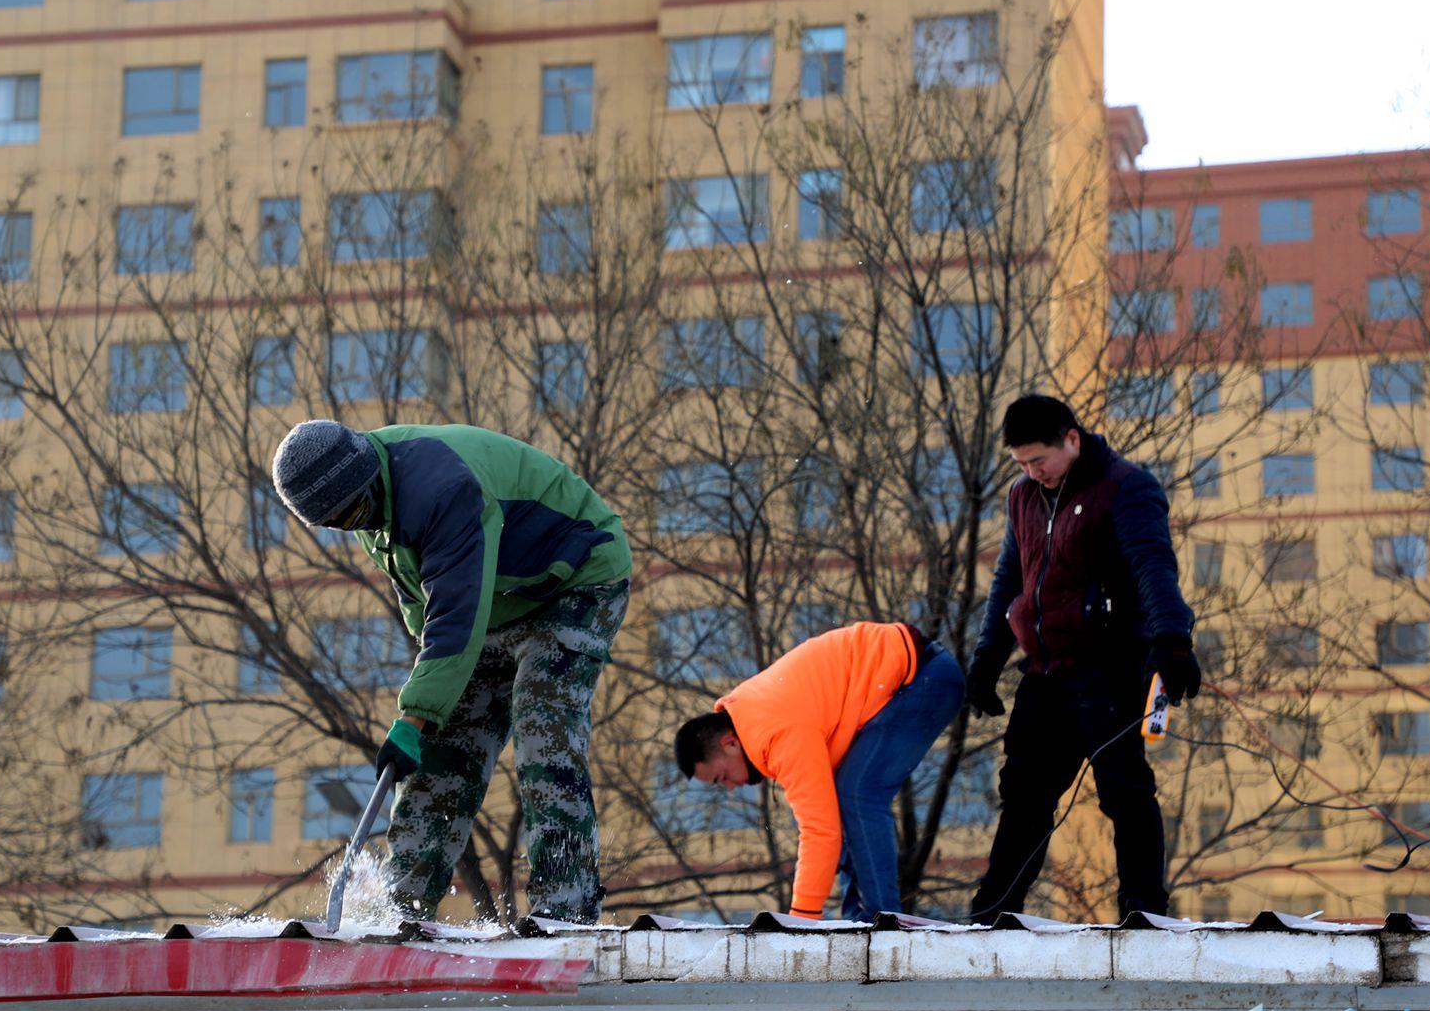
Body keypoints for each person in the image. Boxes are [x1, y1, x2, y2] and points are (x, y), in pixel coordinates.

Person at [273, 420, 631, 924]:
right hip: (495, 604)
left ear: (370, 473)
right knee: (439, 753)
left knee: (542, 726)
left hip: (575, 580)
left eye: (357, 509)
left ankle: (567, 904)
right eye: (340, 522)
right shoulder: (372, 513)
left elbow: (455, 615)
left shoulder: (441, 487)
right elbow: (424, 608)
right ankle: (403, 906)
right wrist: (428, 717)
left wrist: (414, 712)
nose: (357, 522)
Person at [965, 394, 1201, 924]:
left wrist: (1170, 638)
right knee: (1024, 796)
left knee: (1124, 789)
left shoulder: (1125, 487)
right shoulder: (1023, 496)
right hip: (1046, 673)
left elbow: (1153, 566)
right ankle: (992, 912)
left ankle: (1144, 907)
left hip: (1109, 666)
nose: (1032, 473)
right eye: (1021, 464)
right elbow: (1010, 580)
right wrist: (987, 658)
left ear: (1071, 439)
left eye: (1039, 461)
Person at [674, 622, 964, 921]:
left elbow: (819, 832)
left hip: (925, 678)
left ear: (730, 742)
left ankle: (884, 921)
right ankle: (860, 919)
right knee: (846, 795)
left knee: (858, 792)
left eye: (722, 777)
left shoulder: (776, 732)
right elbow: (831, 823)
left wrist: (801, 919)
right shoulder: (753, 715)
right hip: (917, 676)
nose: (732, 787)